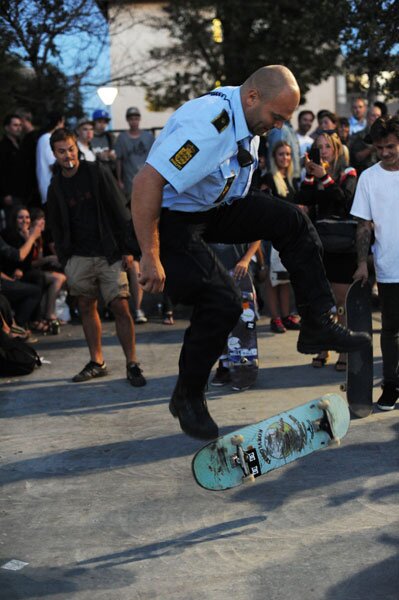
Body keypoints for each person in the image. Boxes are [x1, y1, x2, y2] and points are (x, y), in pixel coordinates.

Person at [131, 65, 370, 440]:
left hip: (220, 206)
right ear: (252, 97)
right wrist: (149, 253)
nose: (277, 127)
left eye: (284, 120)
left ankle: (316, 323)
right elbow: (146, 181)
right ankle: (188, 397)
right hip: (176, 218)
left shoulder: (250, 108)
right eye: (276, 118)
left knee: (293, 221)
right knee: (223, 303)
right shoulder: (208, 127)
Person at [47, 128, 146, 386]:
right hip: (77, 256)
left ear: (76, 147)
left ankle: (132, 363)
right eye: (61, 151)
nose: (67, 155)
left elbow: (119, 209)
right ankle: (97, 361)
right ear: (54, 154)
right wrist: (64, 255)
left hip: (108, 252)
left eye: (70, 149)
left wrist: (127, 249)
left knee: (120, 306)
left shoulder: (96, 172)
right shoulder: (56, 183)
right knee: (86, 307)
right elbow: (54, 222)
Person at [295, 132, 358, 371]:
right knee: (322, 300)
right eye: (318, 147)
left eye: (327, 147)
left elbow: (345, 201)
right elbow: (302, 198)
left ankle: (343, 349)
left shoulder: (348, 173)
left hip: (343, 244)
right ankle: (323, 347)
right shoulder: (313, 175)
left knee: (341, 300)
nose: (323, 152)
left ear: (336, 149)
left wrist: (326, 178)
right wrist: (312, 176)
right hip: (320, 243)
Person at [350, 116, 399, 411]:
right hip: (389, 267)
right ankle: (391, 386)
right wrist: (362, 263)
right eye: (380, 148)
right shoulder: (368, 178)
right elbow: (364, 225)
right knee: (391, 330)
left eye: (391, 146)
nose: (385, 153)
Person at [115, 106, 155, 324]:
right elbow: (119, 161)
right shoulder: (121, 139)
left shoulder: (148, 136)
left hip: (147, 186)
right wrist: (120, 180)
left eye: (136, 117)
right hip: (130, 188)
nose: (133, 120)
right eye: (130, 117)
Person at [260, 141, 301, 334]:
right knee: (272, 278)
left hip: (288, 236)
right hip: (271, 236)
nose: (285, 158)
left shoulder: (290, 179)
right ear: (274, 157)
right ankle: (274, 317)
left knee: (285, 279)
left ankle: (286, 316)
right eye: (281, 154)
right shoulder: (268, 178)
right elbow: (265, 207)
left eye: (287, 154)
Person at [0, 114, 24, 229]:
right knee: (12, 225)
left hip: (21, 193)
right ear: (7, 127)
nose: (18, 128)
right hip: (10, 195)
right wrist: (5, 193)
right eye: (15, 125)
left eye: (20, 125)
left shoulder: (20, 145)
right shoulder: (3, 147)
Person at [36, 112, 65, 205]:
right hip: (50, 188)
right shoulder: (47, 138)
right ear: (59, 122)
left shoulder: (44, 138)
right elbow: (53, 164)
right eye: (63, 123)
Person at [350, 105, 382, 174]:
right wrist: (372, 148)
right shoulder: (359, 136)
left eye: (378, 116)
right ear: (367, 117)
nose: (376, 118)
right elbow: (357, 157)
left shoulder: (386, 136)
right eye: (373, 115)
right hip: (364, 172)